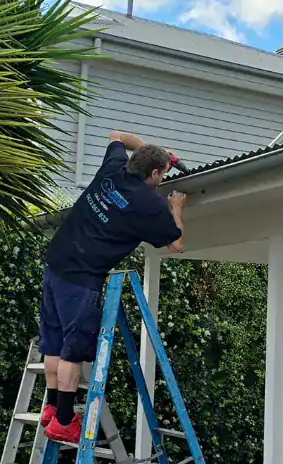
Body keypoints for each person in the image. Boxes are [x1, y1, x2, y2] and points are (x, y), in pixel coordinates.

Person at [39, 130, 187, 443]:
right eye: (162, 173)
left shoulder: (113, 168)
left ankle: (50, 408)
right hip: (80, 279)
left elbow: (117, 136)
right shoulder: (150, 205)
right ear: (155, 173)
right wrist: (176, 207)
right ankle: (63, 421)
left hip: (55, 264)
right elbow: (176, 244)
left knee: (52, 343)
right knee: (70, 353)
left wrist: (154, 150)